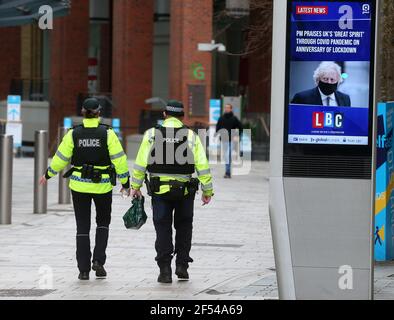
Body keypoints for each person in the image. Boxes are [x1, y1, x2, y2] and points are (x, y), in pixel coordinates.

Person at [39, 98, 130, 280]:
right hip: (102, 186)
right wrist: (125, 183)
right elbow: (119, 159)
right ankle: (98, 261)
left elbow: (61, 157)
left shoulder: (74, 133)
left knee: (82, 227)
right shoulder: (108, 133)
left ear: (82, 111)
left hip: (79, 185)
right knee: (103, 223)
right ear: (99, 112)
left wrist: (48, 174)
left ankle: (83, 270)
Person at [131, 100, 213, 283]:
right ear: (182, 116)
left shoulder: (152, 134)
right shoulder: (191, 136)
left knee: (163, 229)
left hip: (159, 191)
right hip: (185, 192)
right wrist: (207, 190)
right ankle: (182, 265)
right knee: (184, 227)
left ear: (164, 115)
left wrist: (135, 187)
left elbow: (140, 163)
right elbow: (202, 166)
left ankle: (165, 270)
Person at [215, 104, 243, 178]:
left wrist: (237, 136)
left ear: (231, 109)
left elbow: (240, 127)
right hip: (224, 140)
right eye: (225, 108)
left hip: (231, 140)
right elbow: (217, 128)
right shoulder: (221, 118)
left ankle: (227, 172)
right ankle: (228, 172)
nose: (226, 109)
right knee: (226, 156)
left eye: (228, 108)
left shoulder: (234, 118)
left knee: (228, 155)